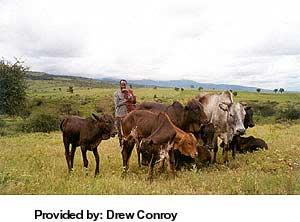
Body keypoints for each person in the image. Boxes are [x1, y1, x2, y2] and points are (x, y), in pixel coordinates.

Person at [114, 79, 136, 148]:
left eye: (124, 84)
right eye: (122, 84)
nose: (123, 85)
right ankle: (121, 145)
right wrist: (126, 101)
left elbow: (133, 101)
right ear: (120, 85)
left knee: (130, 131)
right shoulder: (116, 93)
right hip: (120, 115)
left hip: (128, 114)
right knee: (120, 132)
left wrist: (129, 95)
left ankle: (129, 145)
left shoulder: (128, 92)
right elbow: (117, 104)